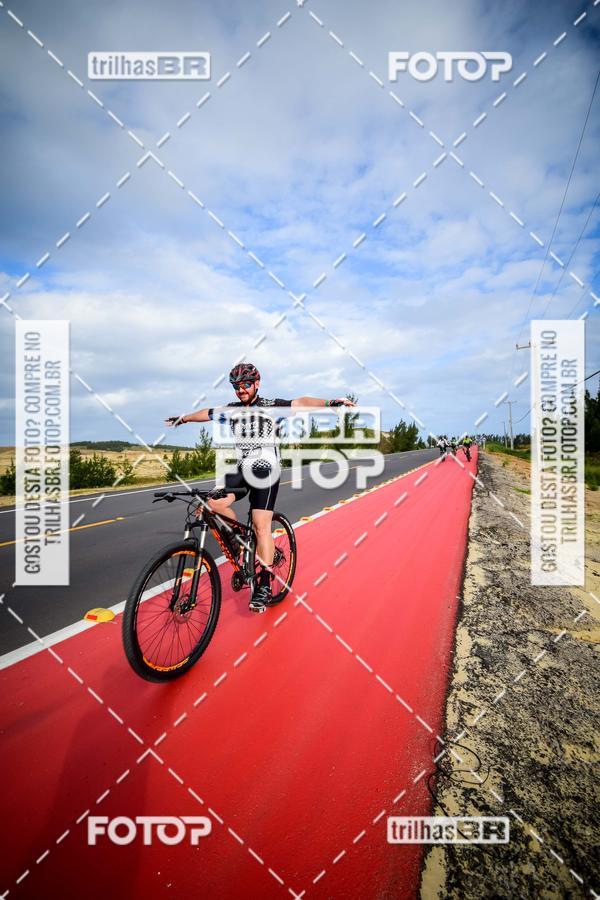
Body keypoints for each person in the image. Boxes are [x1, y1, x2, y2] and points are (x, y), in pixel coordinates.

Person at [166, 363, 355, 613]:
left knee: (260, 525)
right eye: (236, 386)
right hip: (243, 469)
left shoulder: (270, 406)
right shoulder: (232, 410)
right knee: (211, 505)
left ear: (257, 384)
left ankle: (264, 585)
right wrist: (184, 418)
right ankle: (237, 543)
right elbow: (207, 413)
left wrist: (331, 403)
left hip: (266, 470)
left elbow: (301, 402)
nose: (241, 390)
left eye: (245, 384)